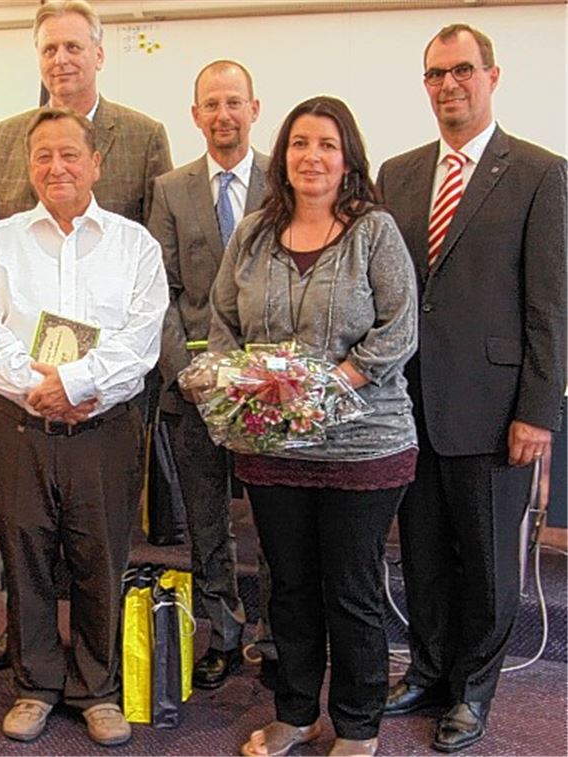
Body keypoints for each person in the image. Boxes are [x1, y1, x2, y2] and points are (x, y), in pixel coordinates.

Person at [0, 0, 173, 671]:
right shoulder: (2, 155)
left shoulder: (142, 142)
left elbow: (144, 318)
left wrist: (79, 384)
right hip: (20, 408)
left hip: (105, 405)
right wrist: (38, 387)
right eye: (49, 49)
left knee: (98, 555)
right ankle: (35, 676)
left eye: (73, 48)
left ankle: (94, 682)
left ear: (97, 162)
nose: (62, 60)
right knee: (22, 552)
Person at [208, 96, 419, 757]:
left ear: (347, 156)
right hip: (273, 446)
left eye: (327, 144)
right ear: (284, 156)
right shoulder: (252, 235)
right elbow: (222, 325)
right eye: (300, 143)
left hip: (364, 443)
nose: (312, 156)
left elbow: (399, 329)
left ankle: (358, 726)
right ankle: (295, 713)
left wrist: (327, 386)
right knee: (289, 585)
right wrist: (240, 384)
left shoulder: (374, 231)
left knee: (350, 587)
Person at [377, 24, 566, 754]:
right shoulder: (398, 173)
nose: (448, 85)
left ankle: (473, 689)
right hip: (407, 404)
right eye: (434, 74)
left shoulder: (540, 173)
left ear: (493, 75)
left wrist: (537, 411)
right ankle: (426, 668)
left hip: (493, 411)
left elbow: (550, 304)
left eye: (462, 71)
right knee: (420, 552)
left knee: (489, 566)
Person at [146, 58, 273, 692]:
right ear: (195, 116)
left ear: (255, 109)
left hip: (274, 396)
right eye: (211, 104)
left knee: (277, 524)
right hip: (193, 393)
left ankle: (278, 635)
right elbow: (159, 292)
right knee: (205, 524)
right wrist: (185, 373)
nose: (223, 115)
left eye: (234, 102)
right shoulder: (170, 190)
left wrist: (276, 376)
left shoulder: (288, 180)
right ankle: (221, 634)